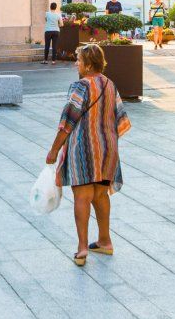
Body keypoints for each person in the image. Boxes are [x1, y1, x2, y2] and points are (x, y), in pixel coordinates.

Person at [45, 44, 131, 267]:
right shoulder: (110, 84)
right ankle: (105, 241)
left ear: (88, 64)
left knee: (82, 197)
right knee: (101, 195)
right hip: (107, 149)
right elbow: (121, 118)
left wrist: (54, 150)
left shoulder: (80, 86)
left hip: (83, 149)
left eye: (79, 60)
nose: (76, 64)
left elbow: (68, 121)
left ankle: (82, 248)